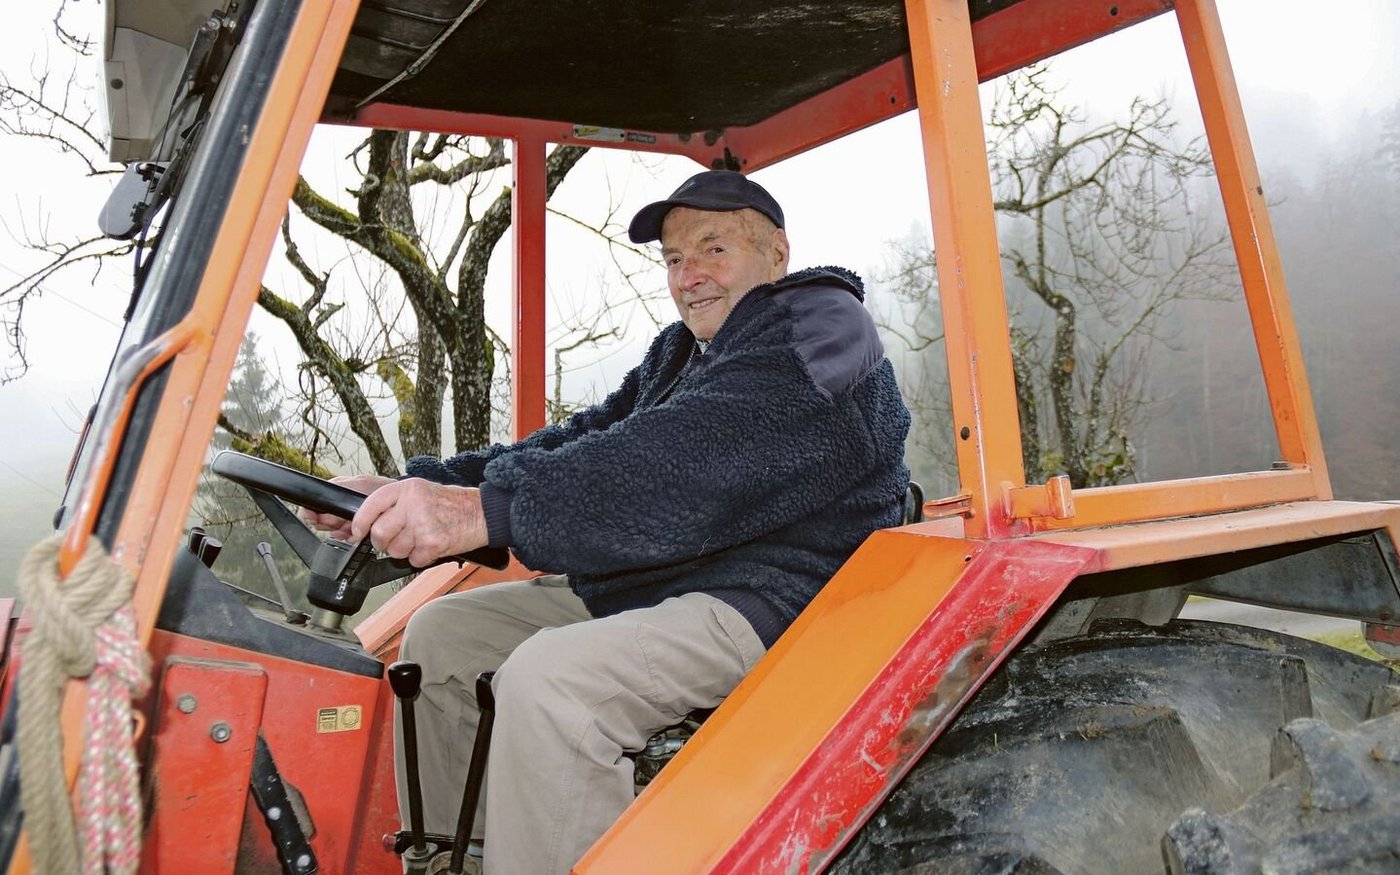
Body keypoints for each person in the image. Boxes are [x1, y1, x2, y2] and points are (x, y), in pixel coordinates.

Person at [305, 169, 911, 874]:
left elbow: (678, 467)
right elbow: (588, 440)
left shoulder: (817, 334)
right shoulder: (682, 352)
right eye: (675, 259)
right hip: (671, 576)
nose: (690, 277)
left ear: (776, 252)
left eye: (713, 250)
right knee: (442, 635)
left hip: (778, 597)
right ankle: (454, 860)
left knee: (552, 682)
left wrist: (486, 513)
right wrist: (425, 486)